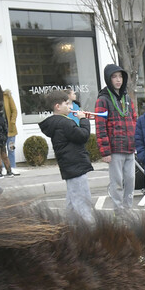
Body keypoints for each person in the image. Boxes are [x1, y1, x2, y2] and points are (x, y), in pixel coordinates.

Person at [38, 88, 94, 223]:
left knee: (72, 200)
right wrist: (83, 120)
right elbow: (83, 136)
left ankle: (70, 228)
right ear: (58, 107)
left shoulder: (56, 123)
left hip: (69, 166)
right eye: (67, 104)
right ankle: (89, 230)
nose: (70, 107)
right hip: (75, 165)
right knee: (82, 201)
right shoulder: (65, 122)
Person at [95, 64, 138, 211]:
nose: (118, 80)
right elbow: (100, 127)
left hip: (130, 148)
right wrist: (105, 151)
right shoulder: (103, 100)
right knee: (117, 182)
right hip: (115, 149)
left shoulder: (127, 97)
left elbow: (134, 120)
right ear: (108, 79)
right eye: (114, 77)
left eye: (120, 76)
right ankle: (119, 212)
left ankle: (128, 210)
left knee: (131, 180)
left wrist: (136, 142)